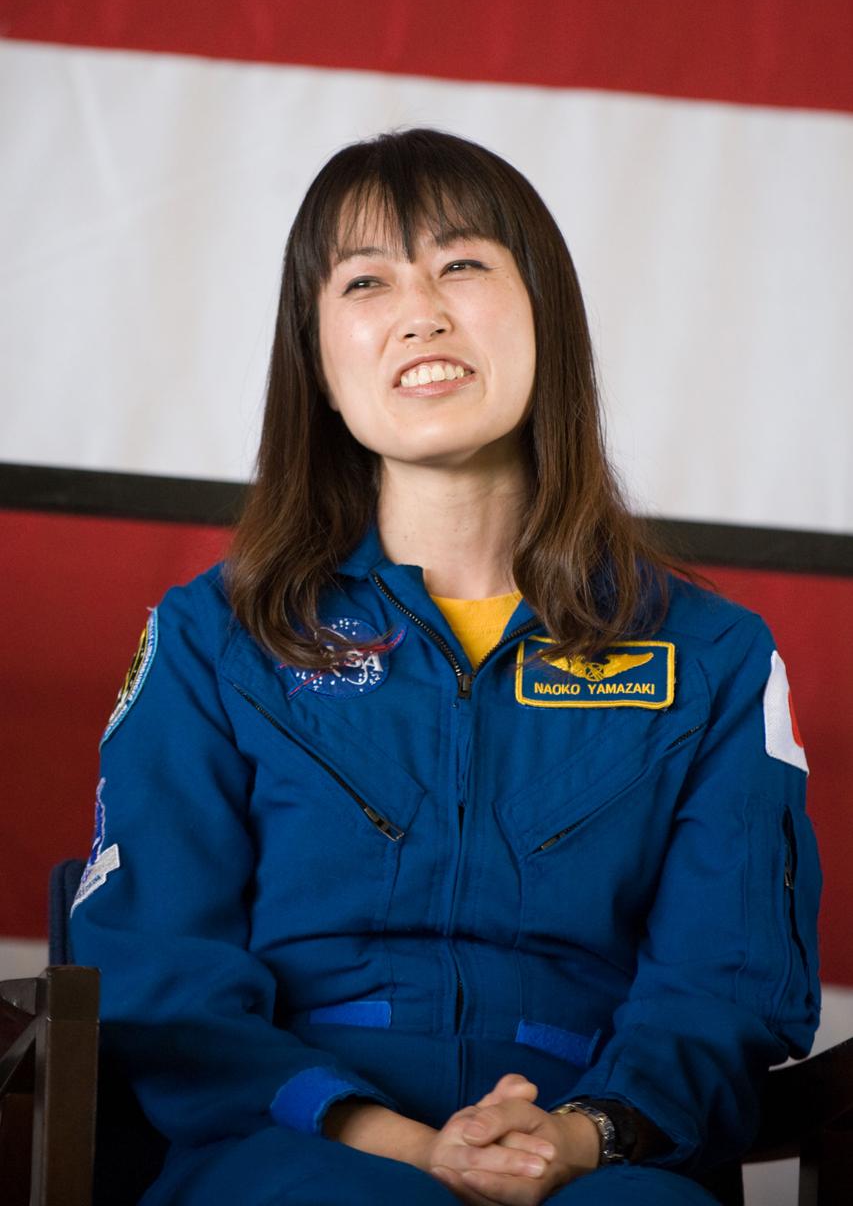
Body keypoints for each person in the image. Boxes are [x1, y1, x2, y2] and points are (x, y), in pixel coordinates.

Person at [70, 128, 821, 1205]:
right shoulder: (213, 637)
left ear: (544, 318)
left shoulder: (712, 656)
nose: (421, 308)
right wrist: (401, 1144)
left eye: (462, 263)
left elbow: (729, 978)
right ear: (320, 363)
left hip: (600, 1153)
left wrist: (573, 1135)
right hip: (294, 1144)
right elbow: (155, 969)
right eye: (367, 280)